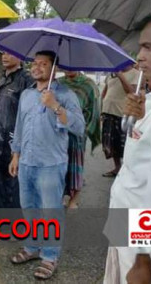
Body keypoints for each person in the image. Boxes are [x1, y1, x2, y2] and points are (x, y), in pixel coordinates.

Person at [103, 8, 151, 284]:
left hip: (142, 241)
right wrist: (140, 116)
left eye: (148, 47)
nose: (139, 57)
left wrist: (144, 260)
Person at [8, 50, 84, 280]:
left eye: (43, 64)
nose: (37, 67)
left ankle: (50, 256)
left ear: (54, 69)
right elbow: (20, 126)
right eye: (35, 63)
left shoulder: (66, 94)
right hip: (27, 162)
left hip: (51, 163)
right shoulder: (27, 94)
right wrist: (15, 155)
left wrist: (55, 106)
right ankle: (32, 247)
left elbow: (79, 127)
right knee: (28, 207)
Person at [0, 51, 33, 208]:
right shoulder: (3, 77)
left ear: (20, 57)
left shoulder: (26, 79)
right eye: (3, 53)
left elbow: (28, 112)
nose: (5, 57)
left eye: (10, 53)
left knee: (13, 184)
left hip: (14, 140)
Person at [58, 69, 101, 209]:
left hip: (77, 133)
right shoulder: (58, 84)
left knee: (75, 166)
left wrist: (84, 129)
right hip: (59, 132)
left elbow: (93, 110)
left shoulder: (88, 85)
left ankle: (74, 199)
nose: (69, 69)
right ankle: (60, 195)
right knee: (59, 166)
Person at [100, 64, 140, 177]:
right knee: (110, 144)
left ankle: (127, 170)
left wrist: (121, 76)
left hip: (123, 114)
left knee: (124, 144)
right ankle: (117, 168)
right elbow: (105, 92)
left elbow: (132, 92)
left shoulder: (136, 74)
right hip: (108, 112)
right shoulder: (111, 74)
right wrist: (102, 108)